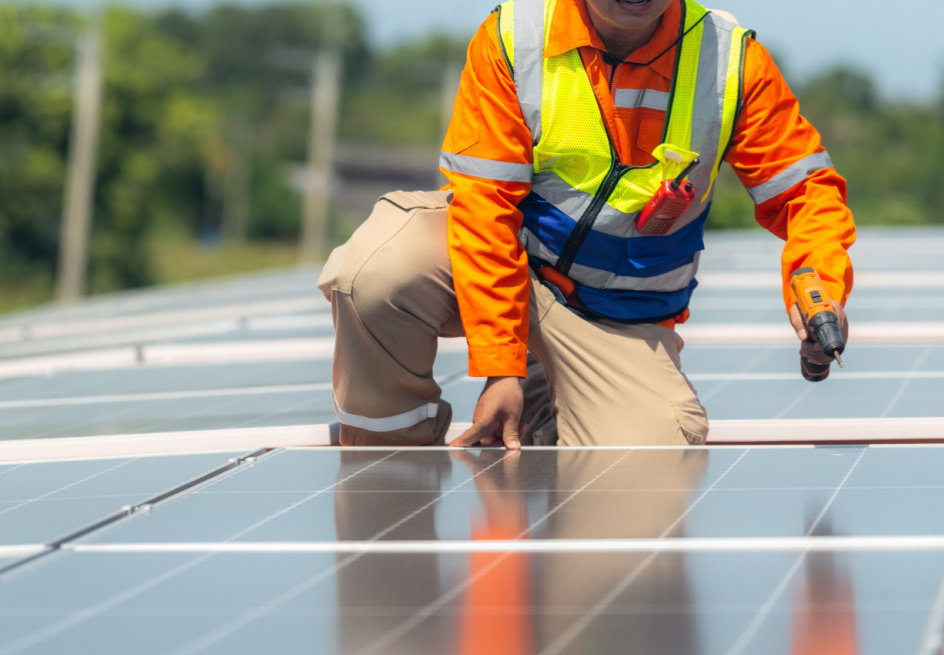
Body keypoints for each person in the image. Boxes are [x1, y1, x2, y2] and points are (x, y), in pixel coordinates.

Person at [318, 0, 855, 450]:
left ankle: (544, 398)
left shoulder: (731, 61)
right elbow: (484, 210)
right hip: (509, 263)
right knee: (376, 275)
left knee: (651, 467)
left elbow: (806, 195)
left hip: (613, 318)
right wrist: (499, 366)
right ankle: (385, 466)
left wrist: (820, 290)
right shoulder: (517, 36)